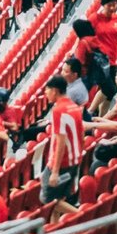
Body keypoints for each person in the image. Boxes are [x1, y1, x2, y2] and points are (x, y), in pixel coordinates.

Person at [41, 74, 84, 215]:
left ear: (54, 90)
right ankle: (55, 230)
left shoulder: (58, 110)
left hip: (61, 163)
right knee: (59, 198)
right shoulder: (74, 107)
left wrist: (54, 171)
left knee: (47, 199)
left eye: (47, 91)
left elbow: (60, 141)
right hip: (74, 160)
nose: (46, 94)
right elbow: (81, 133)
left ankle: (82, 216)